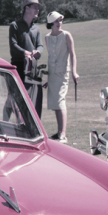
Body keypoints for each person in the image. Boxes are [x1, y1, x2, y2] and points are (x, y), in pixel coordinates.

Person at [44, 11, 79, 142]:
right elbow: (50, 57)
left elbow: (72, 54)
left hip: (63, 72)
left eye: (60, 20)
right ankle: (59, 132)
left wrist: (74, 72)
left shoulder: (66, 35)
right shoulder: (47, 38)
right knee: (55, 104)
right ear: (51, 23)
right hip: (52, 74)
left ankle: (63, 134)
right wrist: (48, 78)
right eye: (56, 21)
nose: (59, 23)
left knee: (60, 100)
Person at [9, 0, 44, 116]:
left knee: (29, 100)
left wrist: (38, 52)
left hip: (31, 69)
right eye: (35, 7)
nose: (37, 10)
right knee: (12, 99)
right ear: (26, 8)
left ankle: (26, 130)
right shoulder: (15, 25)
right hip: (17, 67)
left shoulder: (37, 29)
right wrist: (26, 53)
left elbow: (40, 45)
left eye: (38, 8)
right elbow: (13, 45)